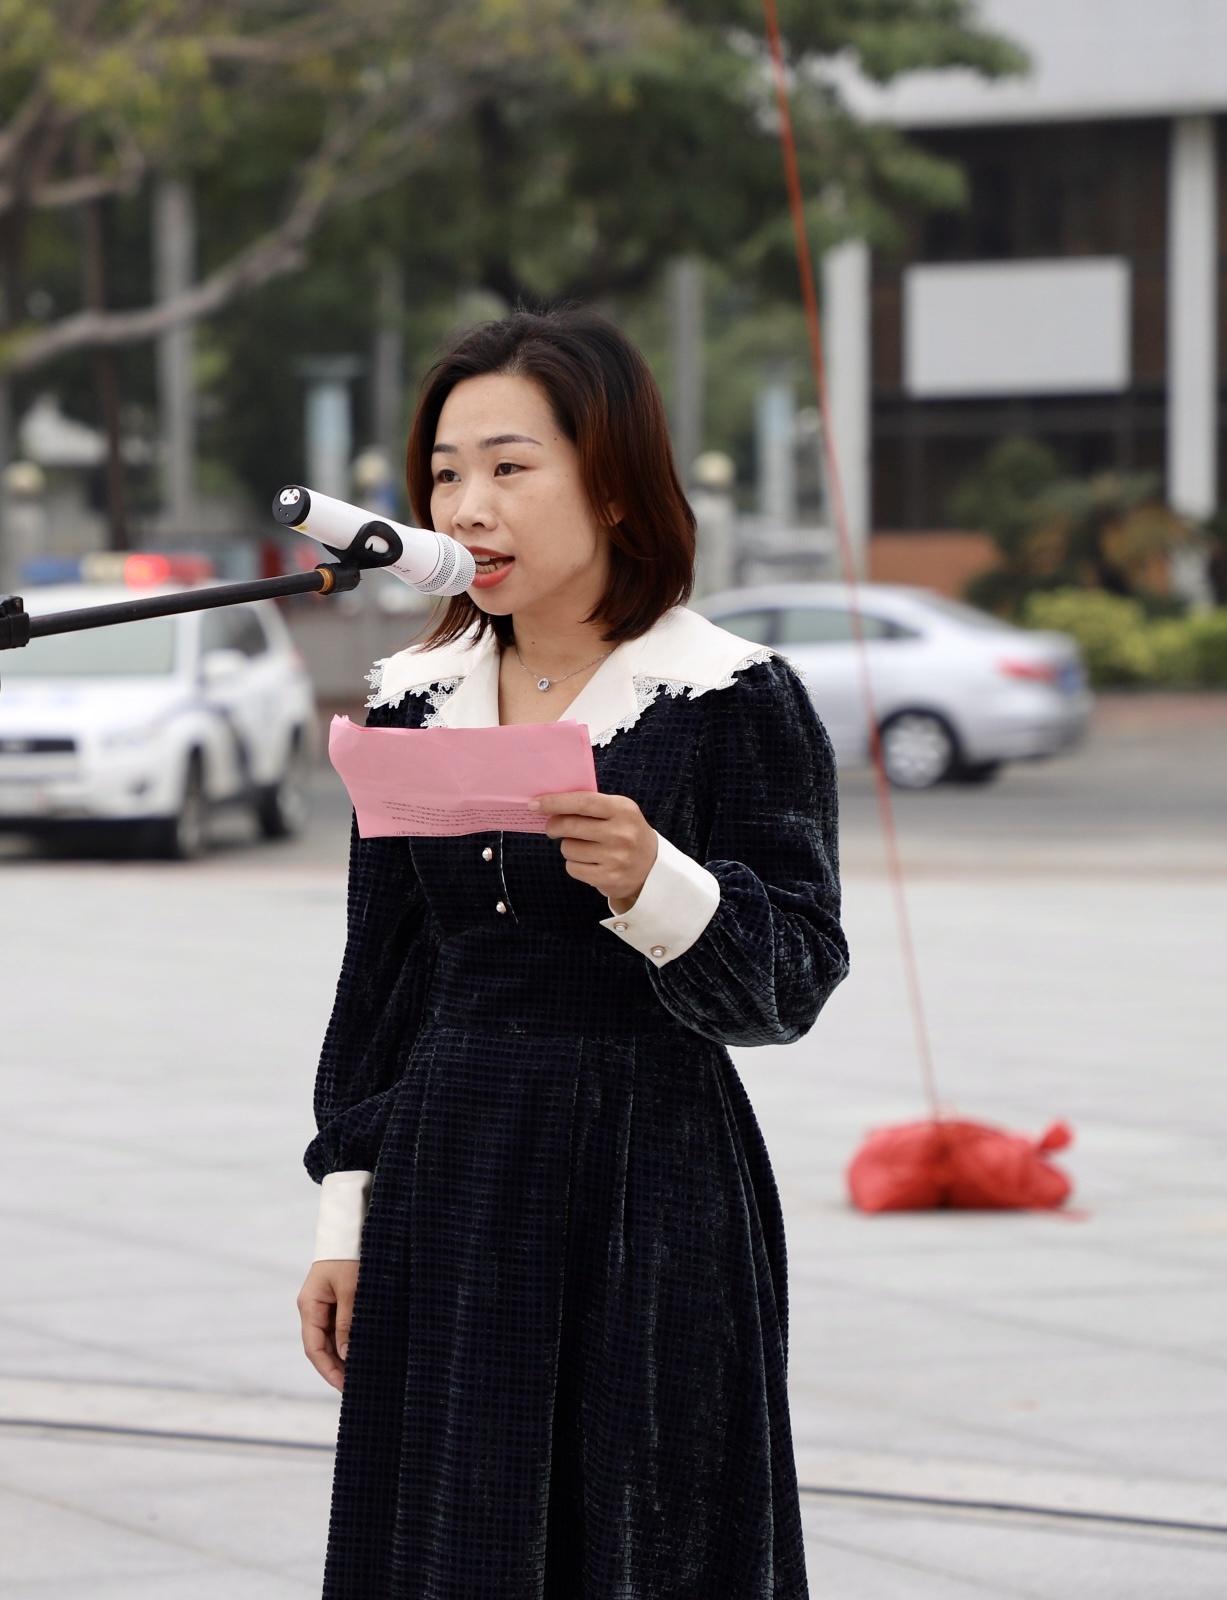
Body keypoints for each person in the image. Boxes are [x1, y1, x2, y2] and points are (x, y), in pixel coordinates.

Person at [297, 307, 849, 1598]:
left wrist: (658, 885)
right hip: (453, 1163)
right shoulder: (411, 699)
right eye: (443, 474)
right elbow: (383, 985)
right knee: (453, 1536)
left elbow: (798, 979)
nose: (468, 504)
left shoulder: (731, 696)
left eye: (508, 466)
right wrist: (344, 1214)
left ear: (610, 482)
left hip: (649, 1175)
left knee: (643, 1534)